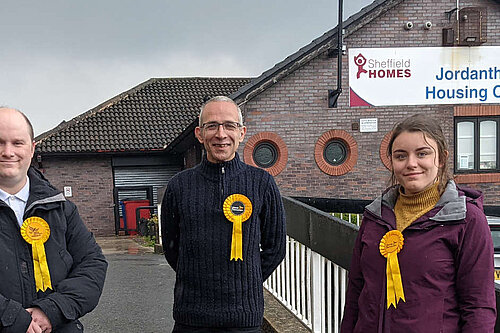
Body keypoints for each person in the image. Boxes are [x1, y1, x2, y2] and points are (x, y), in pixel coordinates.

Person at [341, 114, 496, 332]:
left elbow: (478, 307)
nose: (411, 163)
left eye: (422, 153)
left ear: (441, 158)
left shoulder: (467, 220)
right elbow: (356, 292)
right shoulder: (375, 217)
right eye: (401, 156)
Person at [161, 96, 286, 332]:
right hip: (191, 318)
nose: (221, 134)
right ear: (199, 133)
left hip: (243, 318)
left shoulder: (262, 183)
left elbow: (275, 247)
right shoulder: (179, 186)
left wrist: (245, 280)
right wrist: (199, 278)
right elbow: (171, 247)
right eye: (212, 126)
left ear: (241, 132)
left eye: (229, 125)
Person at [0, 107, 107, 333]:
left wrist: (52, 310)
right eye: (0, 142)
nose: (8, 152)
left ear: (32, 149)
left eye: (17, 143)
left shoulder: (61, 208)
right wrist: (12, 318)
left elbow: (92, 264)